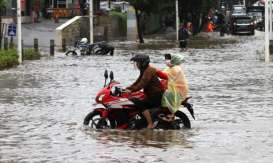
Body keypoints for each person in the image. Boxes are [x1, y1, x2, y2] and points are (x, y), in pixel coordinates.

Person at [126, 54, 165, 129]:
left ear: (143, 63)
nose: (136, 64)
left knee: (138, 102)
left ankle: (150, 124)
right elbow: (138, 81)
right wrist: (127, 88)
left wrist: (131, 90)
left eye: (138, 62)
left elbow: (142, 83)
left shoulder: (149, 71)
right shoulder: (144, 70)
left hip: (156, 96)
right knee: (134, 100)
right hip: (151, 95)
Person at [156, 53, 189, 120]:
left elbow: (164, 76)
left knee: (164, 100)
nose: (167, 61)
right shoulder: (169, 68)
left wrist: (153, 70)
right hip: (172, 89)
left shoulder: (176, 68)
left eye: (168, 59)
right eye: (166, 59)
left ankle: (170, 116)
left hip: (177, 91)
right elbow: (162, 78)